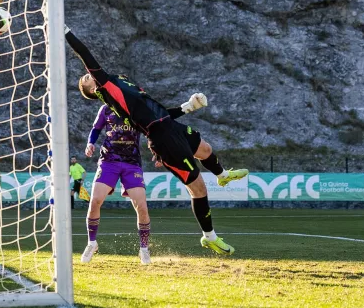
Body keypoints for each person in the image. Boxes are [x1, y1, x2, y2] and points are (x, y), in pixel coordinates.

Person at [64, 26, 248, 255]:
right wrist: (65, 31)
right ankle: (209, 237)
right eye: (86, 78)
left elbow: (156, 112)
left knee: (205, 149)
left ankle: (222, 176)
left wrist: (187, 107)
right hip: (164, 140)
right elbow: (84, 53)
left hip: (169, 126)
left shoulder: (120, 82)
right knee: (198, 188)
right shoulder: (106, 88)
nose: (89, 74)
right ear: (94, 90)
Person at [81, 95, 207, 265]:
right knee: (95, 200)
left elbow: (159, 123)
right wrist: (90, 143)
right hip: (108, 161)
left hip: (131, 163)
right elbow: (96, 129)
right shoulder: (105, 109)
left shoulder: (136, 111)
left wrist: (158, 153)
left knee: (141, 207)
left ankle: (144, 249)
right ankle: (91, 243)